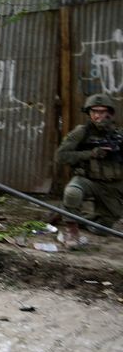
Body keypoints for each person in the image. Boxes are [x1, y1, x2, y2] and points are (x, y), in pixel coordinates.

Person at [55, 93, 123, 244]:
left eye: (102, 111)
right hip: (87, 180)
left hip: (112, 186)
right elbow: (61, 156)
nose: (98, 115)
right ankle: (71, 231)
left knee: (103, 229)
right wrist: (91, 154)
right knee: (72, 192)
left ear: (110, 113)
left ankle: (72, 214)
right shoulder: (81, 132)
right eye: (95, 111)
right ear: (89, 113)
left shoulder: (119, 134)